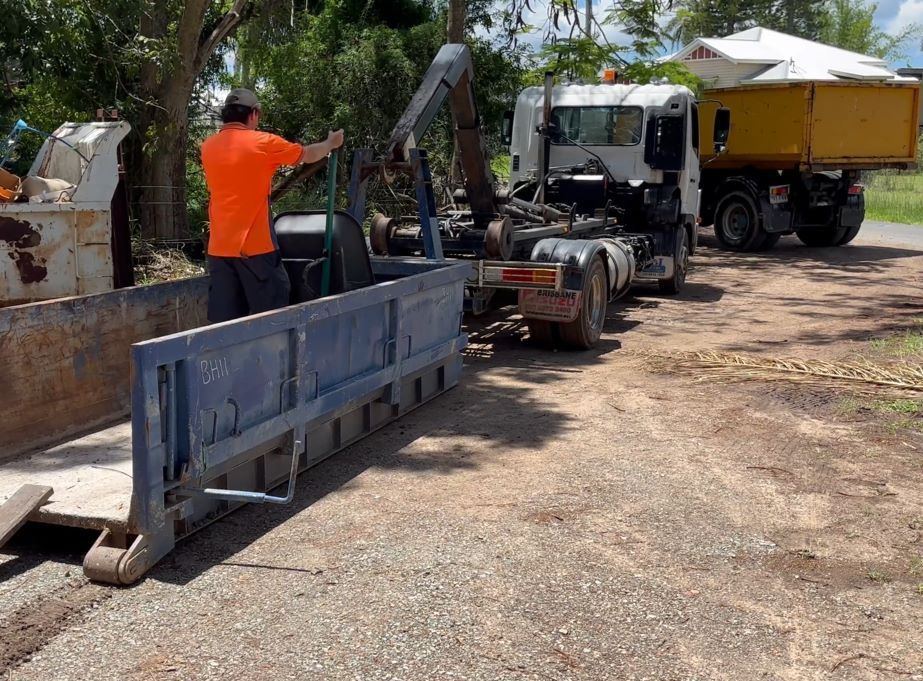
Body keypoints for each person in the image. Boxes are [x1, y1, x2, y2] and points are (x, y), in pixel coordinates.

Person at [201, 88, 344, 323]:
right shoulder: (263, 143)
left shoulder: (208, 147)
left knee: (225, 321)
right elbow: (307, 154)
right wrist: (330, 143)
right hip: (255, 248)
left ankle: (228, 360)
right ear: (253, 114)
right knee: (272, 311)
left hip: (219, 250)